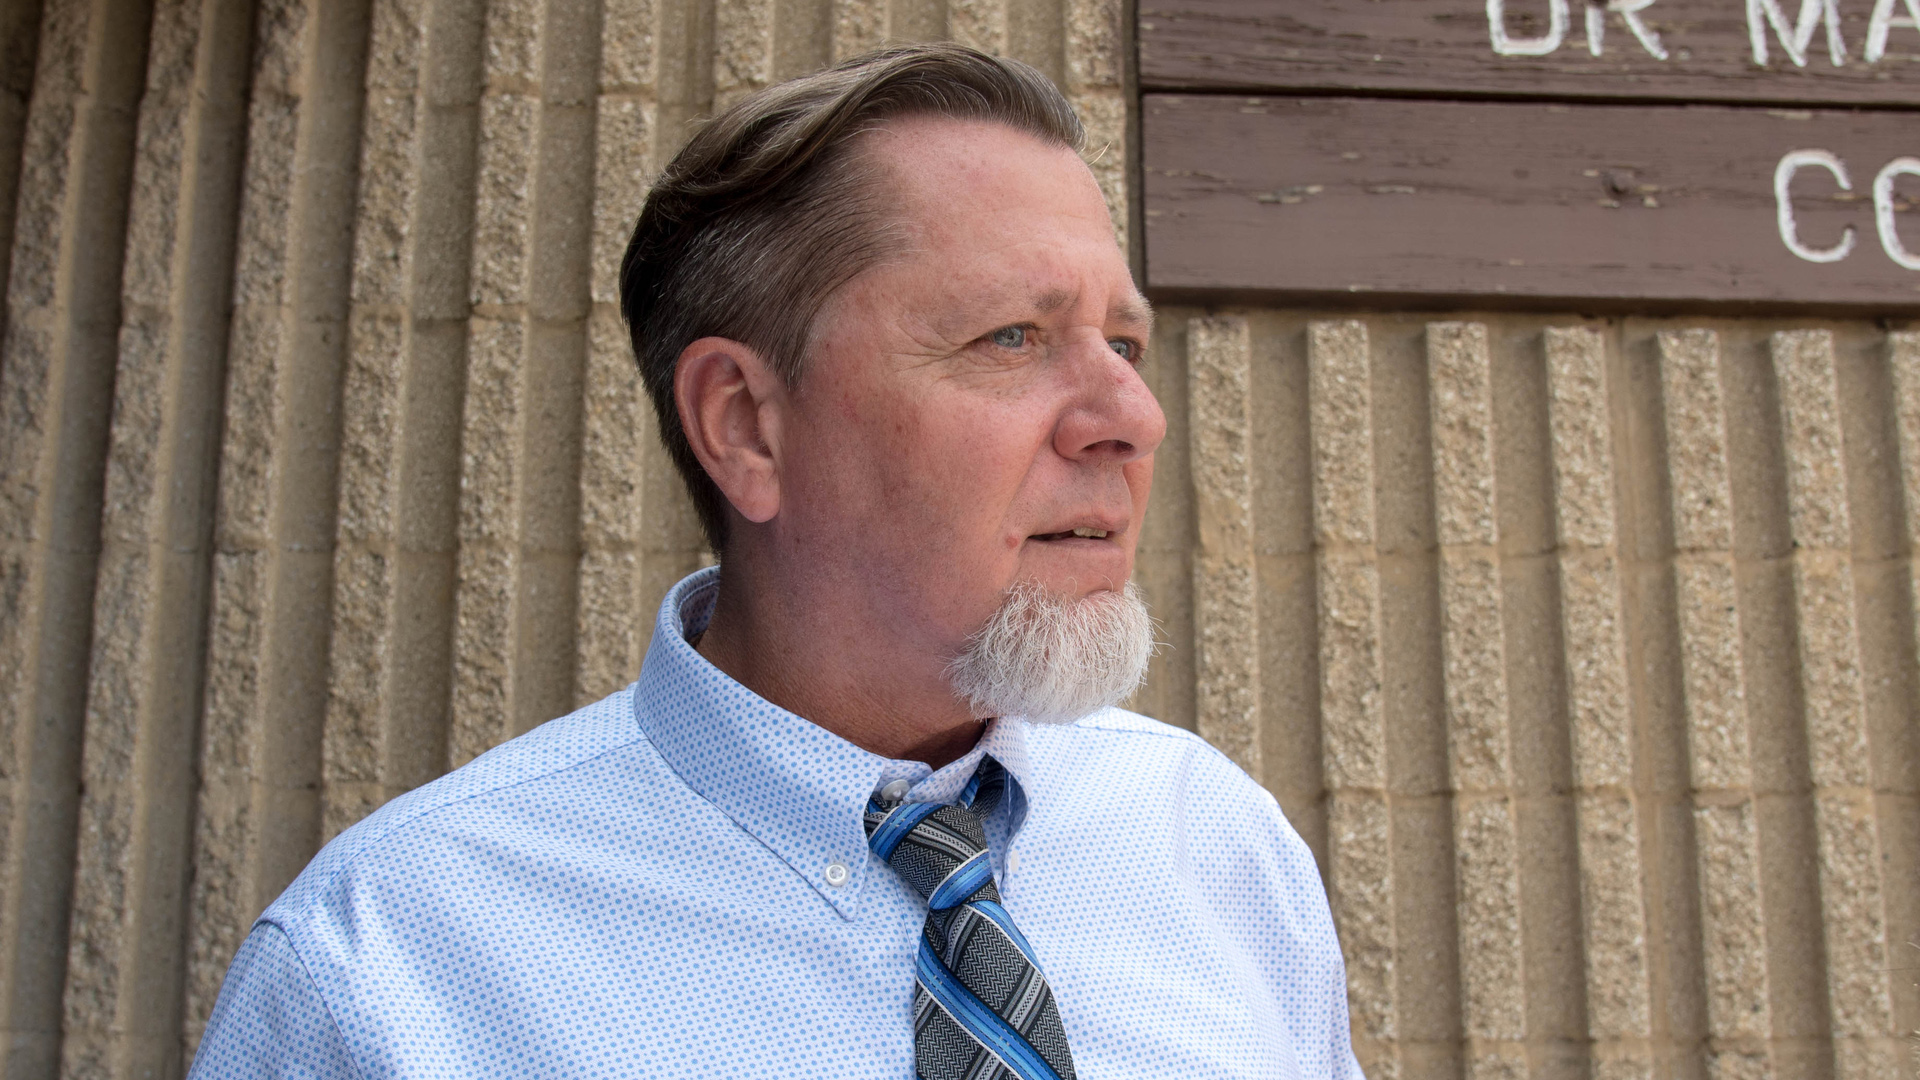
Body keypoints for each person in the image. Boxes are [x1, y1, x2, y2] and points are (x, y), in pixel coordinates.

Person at [189, 43, 1363, 1080]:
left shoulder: (1216, 844)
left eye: (1123, 341)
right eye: (1012, 336)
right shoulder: (386, 968)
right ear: (748, 426)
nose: (1133, 417)